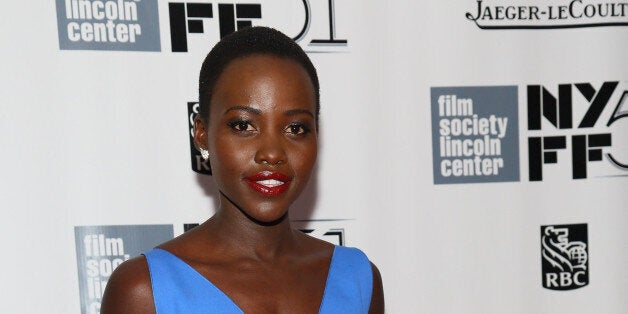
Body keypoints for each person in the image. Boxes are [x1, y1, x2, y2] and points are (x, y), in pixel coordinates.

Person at [101, 26, 384, 313]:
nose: (272, 153)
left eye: (295, 128)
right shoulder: (143, 290)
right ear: (201, 132)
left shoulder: (358, 279)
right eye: (243, 125)